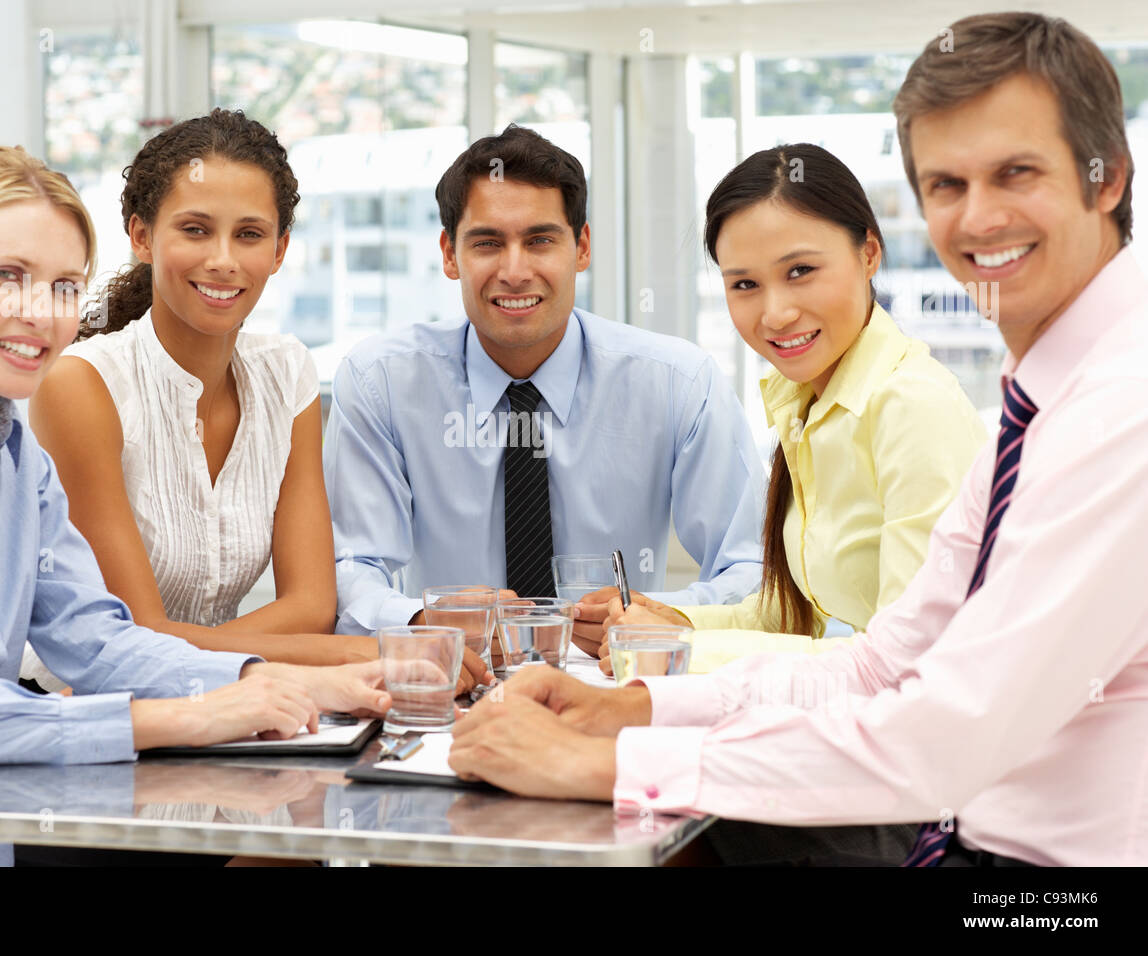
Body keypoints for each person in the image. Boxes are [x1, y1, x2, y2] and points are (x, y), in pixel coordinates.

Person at [449, 12, 1147, 867]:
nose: (978, 218)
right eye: (945, 186)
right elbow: (875, 665)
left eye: (1015, 173)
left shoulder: (1121, 410)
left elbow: (939, 733)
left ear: (1106, 176)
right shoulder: (1034, 405)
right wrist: (639, 710)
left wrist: (610, 759)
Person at [0, 146, 389, 867]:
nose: (38, 312)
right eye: (8, 276)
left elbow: (99, 642)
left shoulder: (17, 461)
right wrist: (187, 716)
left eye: (64, 286)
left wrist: (277, 681)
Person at [324, 124, 766, 635]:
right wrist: (423, 620)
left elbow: (752, 569)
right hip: (451, 683)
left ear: (581, 248)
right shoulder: (381, 383)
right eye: (488, 243)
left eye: (539, 241)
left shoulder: (678, 384)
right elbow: (349, 568)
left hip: (617, 680)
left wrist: (668, 615)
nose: (514, 271)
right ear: (449, 255)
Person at [590, 145, 987, 675]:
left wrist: (678, 652)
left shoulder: (910, 405)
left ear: (869, 253)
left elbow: (908, 657)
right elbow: (789, 616)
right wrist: (668, 619)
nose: (775, 314)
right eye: (745, 285)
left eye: (800, 270)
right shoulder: (807, 404)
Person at [22, 110, 380, 693]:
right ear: (141, 236)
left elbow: (313, 604)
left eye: (249, 234)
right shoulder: (82, 385)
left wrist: (318, 652)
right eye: (194, 229)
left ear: (281, 248)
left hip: (233, 707)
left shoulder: (288, 374)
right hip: (83, 710)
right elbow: (134, 635)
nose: (223, 260)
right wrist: (339, 656)